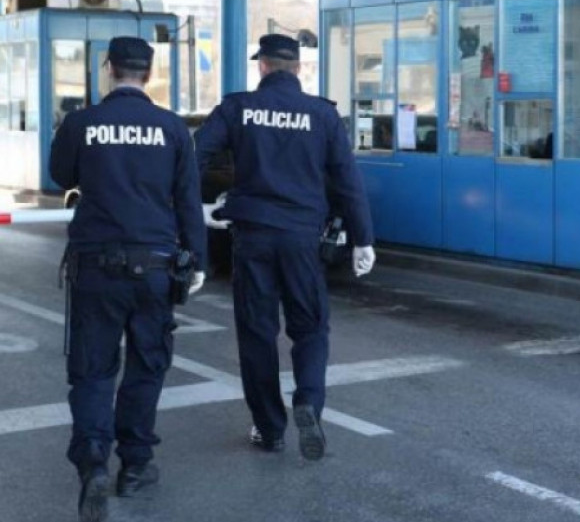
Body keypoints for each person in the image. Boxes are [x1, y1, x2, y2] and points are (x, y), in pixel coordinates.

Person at [194, 34, 375, 461]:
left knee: (257, 332)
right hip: (301, 239)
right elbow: (348, 181)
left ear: (262, 66)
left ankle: (270, 428)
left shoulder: (237, 107)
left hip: (253, 236)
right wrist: (363, 238)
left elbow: (193, 156)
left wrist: (197, 208)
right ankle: (308, 401)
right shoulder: (322, 114)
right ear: (298, 68)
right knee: (310, 327)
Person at [49, 37, 207, 522]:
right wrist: (197, 262)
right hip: (156, 266)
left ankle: (94, 459)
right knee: (146, 365)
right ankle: (135, 465)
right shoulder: (173, 128)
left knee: (93, 369)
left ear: (109, 68)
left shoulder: (82, 123)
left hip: (95, 267)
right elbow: (187, 200)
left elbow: (60, 176)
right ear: (149, 71)